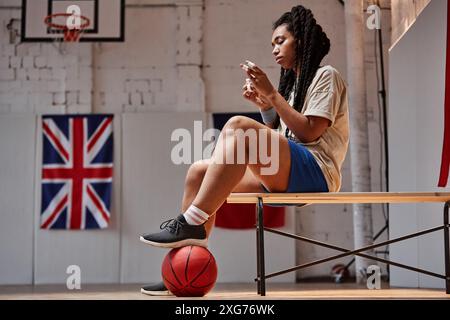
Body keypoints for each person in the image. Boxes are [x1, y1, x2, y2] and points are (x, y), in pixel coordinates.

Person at [140, 4, 349, 296]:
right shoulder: (292, 87)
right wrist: (266, 106)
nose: (275, 49)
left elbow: (309, 132)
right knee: (199, 171)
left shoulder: (327, 75)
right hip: (291, 172)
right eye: (272, 44)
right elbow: (284, 135)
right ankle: (181, 270)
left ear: (299, 40)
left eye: (280, 41)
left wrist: (272, 95)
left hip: (317, 173)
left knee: (238, 125)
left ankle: (191, 222)